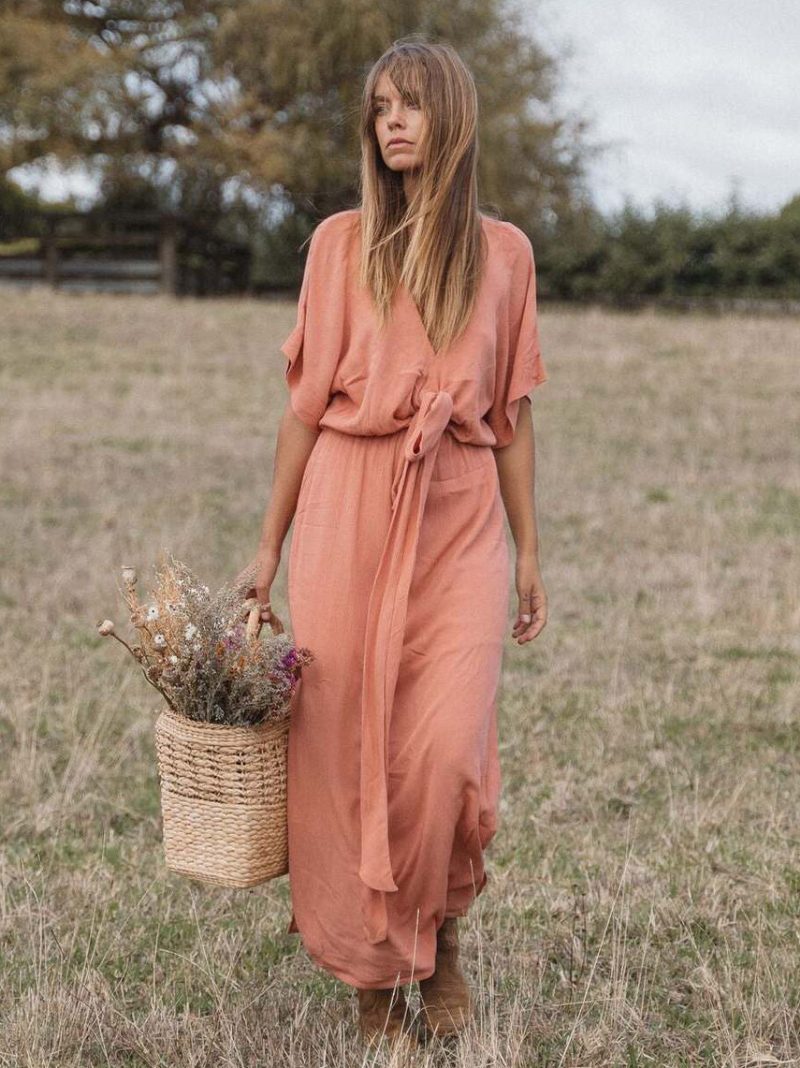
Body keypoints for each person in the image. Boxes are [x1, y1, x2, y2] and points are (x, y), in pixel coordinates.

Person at [236, 38, 548, 1048]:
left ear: (449, 117)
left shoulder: (502, 253)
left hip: (457, 513)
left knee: (445, 752)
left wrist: (532, 553)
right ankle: (374, 980)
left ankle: (439, 936)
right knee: (340, 748)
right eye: (378, 108)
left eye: (410, 105)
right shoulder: (338, 243)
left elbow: (512, 413)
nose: (392, 123)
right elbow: (299, 409)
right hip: (344, 503)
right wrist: (265, 547)